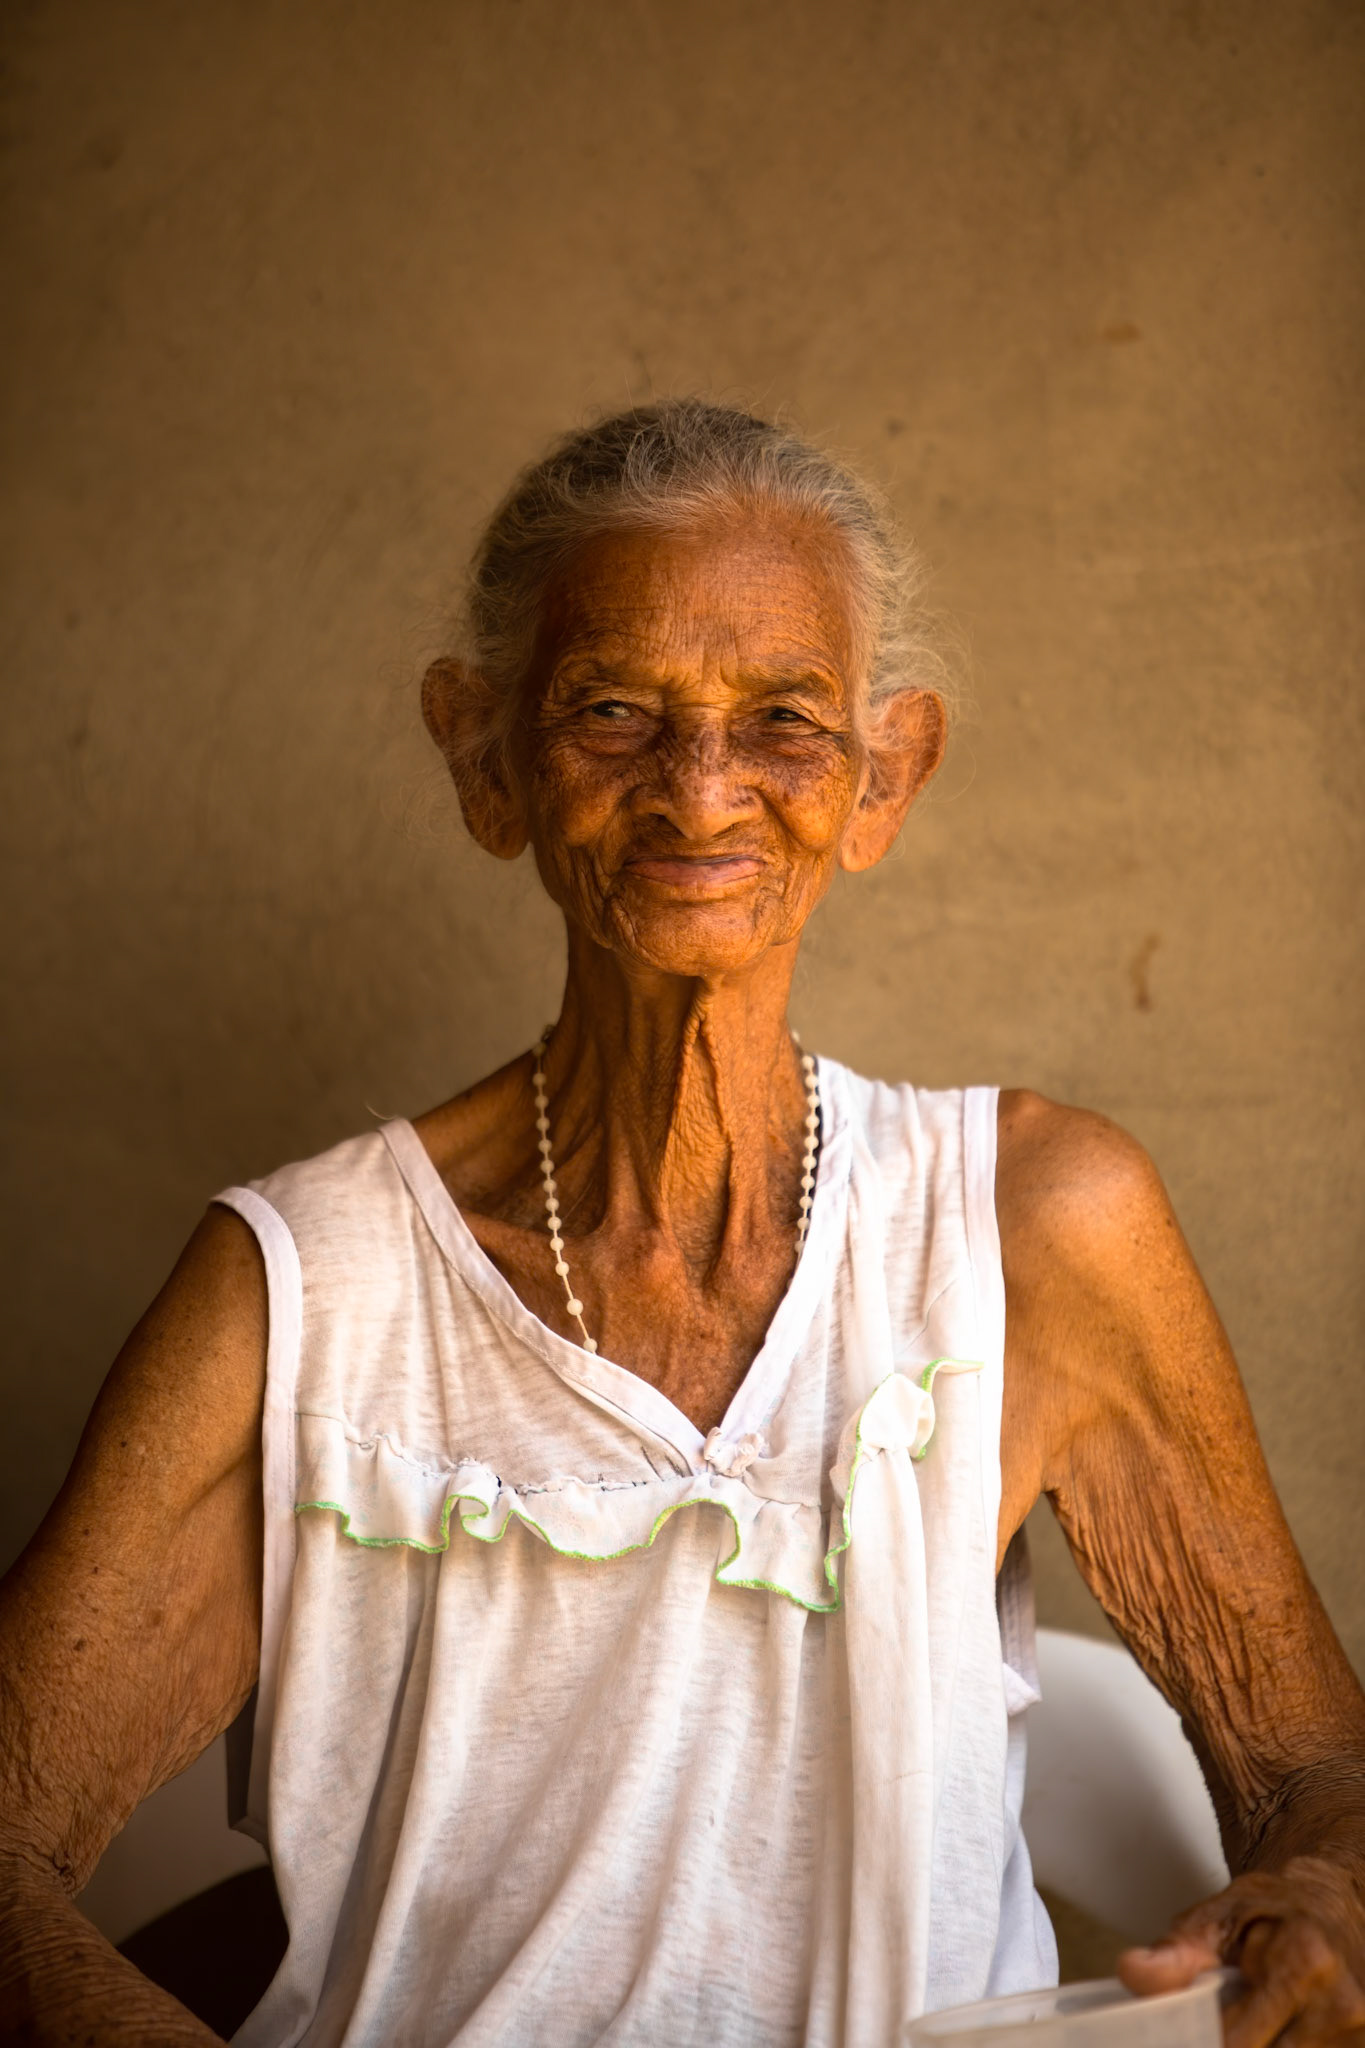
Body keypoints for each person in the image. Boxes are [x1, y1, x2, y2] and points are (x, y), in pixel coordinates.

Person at [1, 401, 1362, 2048]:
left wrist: (1326, 1900)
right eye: (613, 712)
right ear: (484, 759)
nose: (701, 788)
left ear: (885, 775)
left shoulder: (1030, 1232)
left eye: (783, 718)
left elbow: (1310, 1763)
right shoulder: (305, 1293)